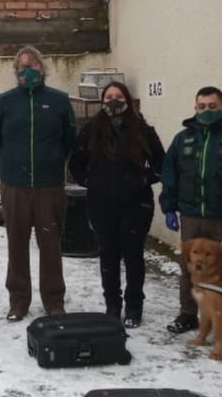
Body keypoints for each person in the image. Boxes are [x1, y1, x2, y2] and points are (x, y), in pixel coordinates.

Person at [159, 86, 222, 334]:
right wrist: (169, 207)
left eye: (212, 106)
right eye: (202, 106)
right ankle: (188, 313)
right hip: (192, 217)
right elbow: (170, 175)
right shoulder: (183, 140)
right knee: (190, 267)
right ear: (195, 109)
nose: (207, 111)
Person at [0, 45, 76, 322]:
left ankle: (53, 300)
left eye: (34, 65)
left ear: (43, 69)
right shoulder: (4, 102)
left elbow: (69, 140)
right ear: (16, 71)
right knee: (17, 243)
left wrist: (51, 162)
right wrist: (13, 163)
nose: (29, 70)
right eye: (23, 66)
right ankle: (18, 301)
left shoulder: (59, 101)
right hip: (15, 185)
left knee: (50, 244)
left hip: (49, 186)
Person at [68, 81, 164, 328]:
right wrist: (91, 181)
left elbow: (161, 165)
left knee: (133, 256)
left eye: (118, 96)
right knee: (108, 255)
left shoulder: (142, 129)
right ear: (102, 101)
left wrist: (142, 180)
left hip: (136, 204)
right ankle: (112, 304)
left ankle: (134, 306)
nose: (113, 100)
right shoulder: (91, 130)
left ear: (127, 99)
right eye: (108, 96)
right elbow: (76, 163)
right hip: (101, 204)